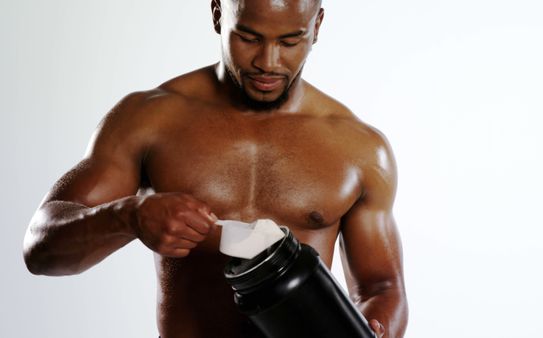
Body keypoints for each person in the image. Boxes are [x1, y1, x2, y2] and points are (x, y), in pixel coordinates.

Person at [22, 0, 408, 337]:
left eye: (290, 41)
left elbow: (381, 287)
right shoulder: (150, 120)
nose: (268, 62)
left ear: (317, 26)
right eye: (249, 37)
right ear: (217, 13)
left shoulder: (359, 149)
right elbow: (41, 248)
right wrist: (128, 217)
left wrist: (372, 328)